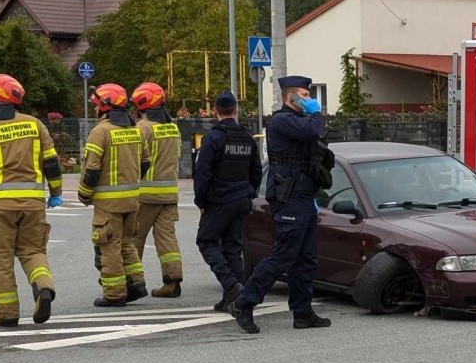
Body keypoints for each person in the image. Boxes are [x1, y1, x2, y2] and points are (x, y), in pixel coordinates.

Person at [0, 74, 65, 326]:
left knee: (0, 257)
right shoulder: (35, 125)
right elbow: (51, 163)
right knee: (33, 251)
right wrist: (56, 192)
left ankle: (7, 314)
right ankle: (43, 287)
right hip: (34, 204)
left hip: (1, 206)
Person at [229, 76, 332, 334]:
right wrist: (316, 112)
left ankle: (302, 312)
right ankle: (244, 303)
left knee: (305, 258)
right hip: (289, 195)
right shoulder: (282, 120)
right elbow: (312, 130)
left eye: (310, 96)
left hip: (305, 195)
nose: (309, 100)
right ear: (291, 98)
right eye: (304, 96)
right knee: (284, 254)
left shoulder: (300, 121)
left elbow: (316, 144)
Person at [193, 90, 262, 313]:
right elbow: (256, 170)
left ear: (215, 111)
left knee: (206, 241)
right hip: (241, 198)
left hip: (219, 200)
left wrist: (201, 201)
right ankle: (234, 301)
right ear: (236, 110)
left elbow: (202, 173)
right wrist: (249, 193)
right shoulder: (246, 137)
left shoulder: (213, 137)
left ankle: (232, 286)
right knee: (232, 249)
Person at [79, 83, 146, 308]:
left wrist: (84, 195)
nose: (95, 109)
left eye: (96, 104)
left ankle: (115, 293)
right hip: (132, 199)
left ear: (104, 106)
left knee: (108, 246)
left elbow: (91, 168)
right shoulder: (135, 128)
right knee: (127, 243)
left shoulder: (100, 132)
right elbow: (145, 162)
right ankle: (137, 284)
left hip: (108, 203)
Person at [130, 82, 184, 298]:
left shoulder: (142, 128)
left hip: (145, 195)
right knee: (167, 239)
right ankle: (172, 281)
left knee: (134, 239)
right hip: (169, 194)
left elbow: (134, 160)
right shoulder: (172, 128)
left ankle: (133, 283)